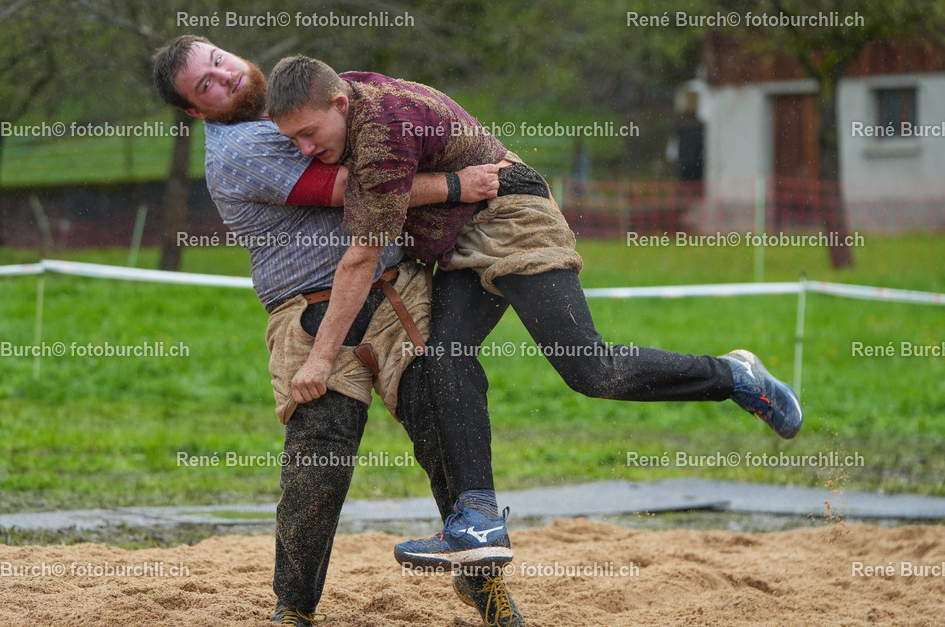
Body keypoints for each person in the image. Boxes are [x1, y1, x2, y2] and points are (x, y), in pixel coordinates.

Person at [263, 55, 804, 569]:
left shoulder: (380, 131)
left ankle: (735, 375)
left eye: (309, 134)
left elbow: (359, 259)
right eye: (293, 140)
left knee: (590, 370)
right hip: (461, 235)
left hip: (513, 216)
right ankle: (478, 518)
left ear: (339, 104)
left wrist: (319, 359)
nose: (305, 148)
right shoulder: (350, 94)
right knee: (445, 356)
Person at [151, 35, 525, 627]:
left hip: (396, 291)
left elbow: (386, 158)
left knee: (445, 428)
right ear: (197, 112)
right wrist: (459, 184)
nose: (224, 78)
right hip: (310, 311)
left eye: (218, 61)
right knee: (319, 458)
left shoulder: (302, 104)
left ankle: (484, 585)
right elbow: (355, 189)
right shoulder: (239, 149)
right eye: (205, 86)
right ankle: (293, 607)